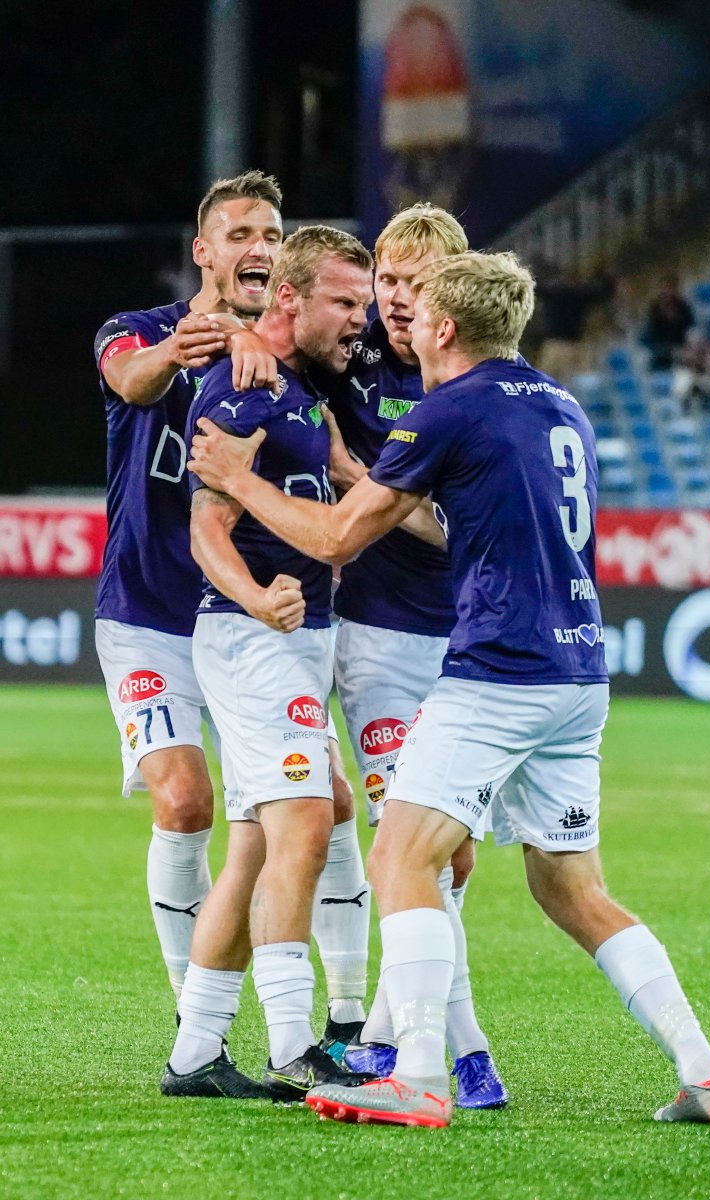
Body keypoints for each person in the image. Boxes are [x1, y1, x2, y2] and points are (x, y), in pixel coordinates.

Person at [188, 250, 710, 1130]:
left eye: (416, 314)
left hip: (499, 671)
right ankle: (707, 1074)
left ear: (447, 328)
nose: (398, 325)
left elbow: (338, 539)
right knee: (571, 887)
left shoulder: (448, 409)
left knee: (399, 858)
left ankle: (415, 1073)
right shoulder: (562, 405)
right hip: (578, 672)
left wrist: (238, 480)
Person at [161, 225, 378, 1100]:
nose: (358, 320)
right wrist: (255, 596)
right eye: (345, 302)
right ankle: (295, 1045)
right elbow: (205, 528)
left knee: (260, 841)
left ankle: (195, 1054)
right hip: (256, 639)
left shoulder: (299, 395)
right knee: (305, 824)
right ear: (289, 298)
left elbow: (336, 477)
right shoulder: (244, 388)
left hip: (298, 640)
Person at [315, 203, 506, 1108]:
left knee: (448, 856)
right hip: (379, 642)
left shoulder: (466, 384)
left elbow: (461, 531)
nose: (394, 299)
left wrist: (373, 489)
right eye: (387, 280)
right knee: (411, 845)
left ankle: (395, 1039)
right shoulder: (351, 368)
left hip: (465, 644)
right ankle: (460, 1055)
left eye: (414, 283)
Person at [94, 170, 284, 1005]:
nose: (260, 249)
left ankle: (339, 1012)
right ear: (204, 253)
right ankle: (194, 1008)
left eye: (273, 236)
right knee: (184, 799)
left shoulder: (290, 354)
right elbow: (131, 381)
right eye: (241, 234)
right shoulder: (138, 331)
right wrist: (189, 344)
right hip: (146, 614)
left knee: (306, 809)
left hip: (242, 618)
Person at [641, 274, 694, 369]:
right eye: (664, 288)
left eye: (669, 288)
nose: (666, 291)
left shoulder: (683, 306)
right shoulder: (655, 308)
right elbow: (652, 330)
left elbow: (690, 326)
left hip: (680, 345)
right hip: (661, 346)